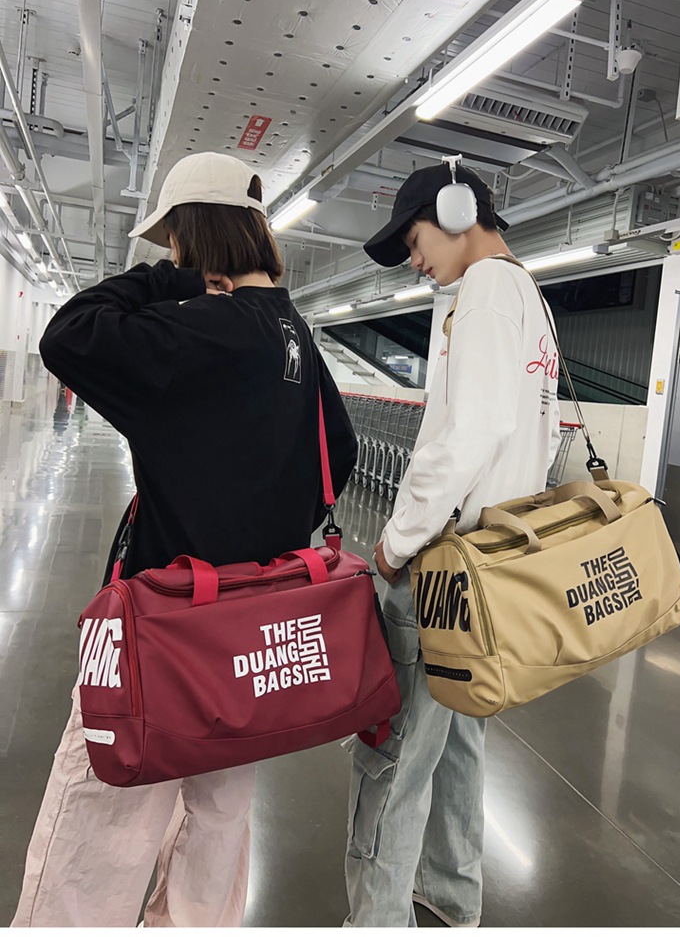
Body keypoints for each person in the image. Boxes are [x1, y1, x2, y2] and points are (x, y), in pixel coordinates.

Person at [12, 152, 357, 928]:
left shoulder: (202, 328)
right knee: (218, 820)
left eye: (173, 240)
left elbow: (69, 334)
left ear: (194, 236)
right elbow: (340, 450)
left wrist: (169, 280)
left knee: (100, 811)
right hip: (251, 635)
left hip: (163, 621)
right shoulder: (294, 335)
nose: (168, 253)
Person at [343, 160, 561, 927]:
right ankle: (449, 896)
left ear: (459, 209)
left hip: (443, 562)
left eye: (414, 240)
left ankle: (376, 918)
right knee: (461, 739)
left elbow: (469, 431)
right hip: (494, 566)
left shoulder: (486, 293)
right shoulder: (530, 295)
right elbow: (529, 435)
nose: (414, 259)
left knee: (392, 751)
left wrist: (397, 541)